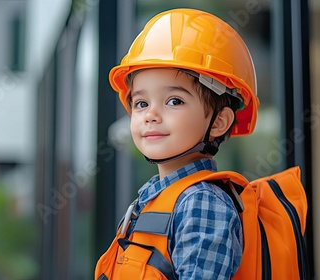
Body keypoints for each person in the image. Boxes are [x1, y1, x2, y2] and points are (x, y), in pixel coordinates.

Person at [95, 8, 259, 280]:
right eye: (141, 103)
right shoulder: (154, 198)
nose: (151, 115)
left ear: (219, 122)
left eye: (174, 101)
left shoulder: (201, 202)